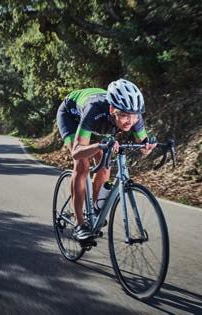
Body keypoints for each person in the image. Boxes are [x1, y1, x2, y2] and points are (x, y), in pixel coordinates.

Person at [56, 79, 156, 241]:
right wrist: (99, 145)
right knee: (82, 164)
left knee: (104, 167)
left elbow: (143, 146)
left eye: (134, 116)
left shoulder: (133, 115)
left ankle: (93, 211)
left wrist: (148, 147)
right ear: (112, 109)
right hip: (71, 116)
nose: (130, 121)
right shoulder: (94, 110)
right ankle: (79, 223)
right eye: (123, 115)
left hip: (98, 126)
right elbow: (76, 152)